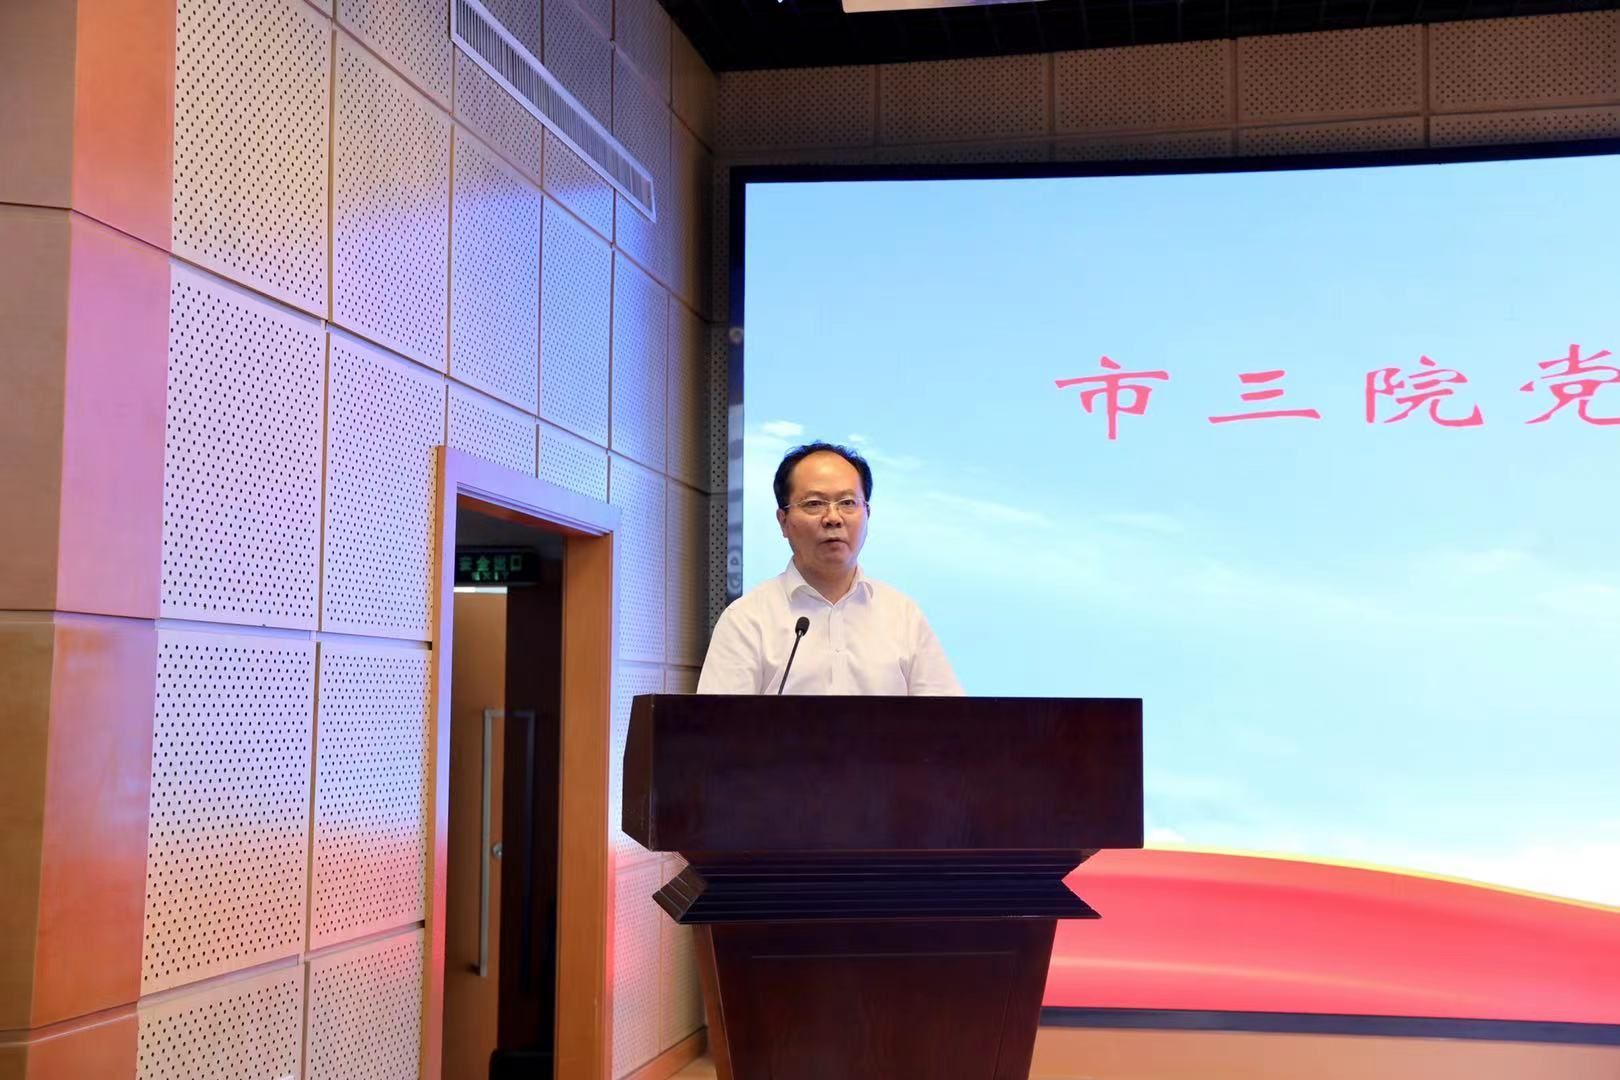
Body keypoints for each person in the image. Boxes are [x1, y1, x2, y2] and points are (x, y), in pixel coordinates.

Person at [697, 441, 963, 695]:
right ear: (783, 521)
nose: (833, 518)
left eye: (847, 503)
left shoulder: (903, 617)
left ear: (867, 514)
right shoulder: (746, 620)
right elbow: (717, 724)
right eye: (814, 504)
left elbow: (948, 719)